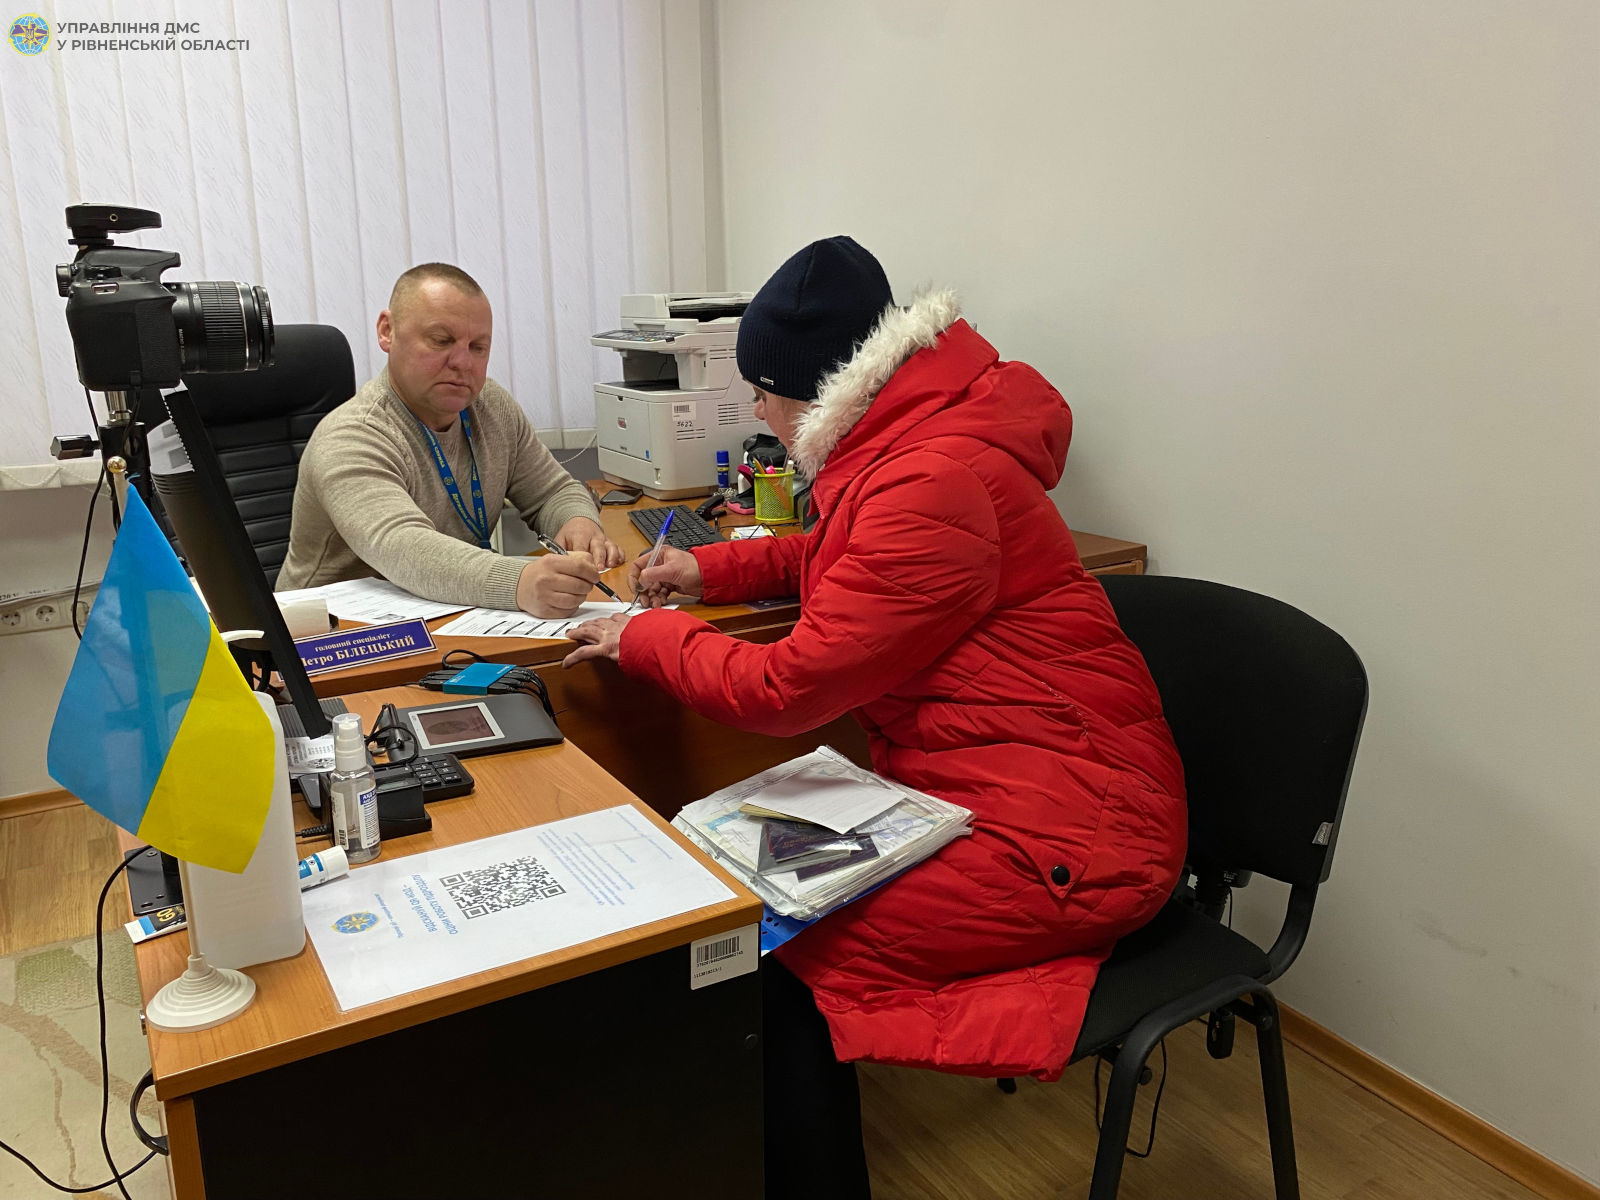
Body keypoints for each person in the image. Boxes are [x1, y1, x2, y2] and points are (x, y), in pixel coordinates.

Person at [564, 237, 1187, 1198]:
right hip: (1024, 786)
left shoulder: (930, 478)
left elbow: (787, 692)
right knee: (743, 909)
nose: (757, 413)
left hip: (1072, 835)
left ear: (813, 390)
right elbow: (841, 553)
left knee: (762, 947)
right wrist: (707, 569)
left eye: (763, 394)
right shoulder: (919, 445)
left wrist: (646, 636)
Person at [277, 263, 624, 615]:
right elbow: (405, 550)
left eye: (478, 347)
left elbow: (552, 491)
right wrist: (518, 582)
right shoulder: (351, 436)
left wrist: (578, 522)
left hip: (446, 611)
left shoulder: (492, 406)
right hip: (333, 632)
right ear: (387, 331)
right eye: (441, 341)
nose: (462, 362)